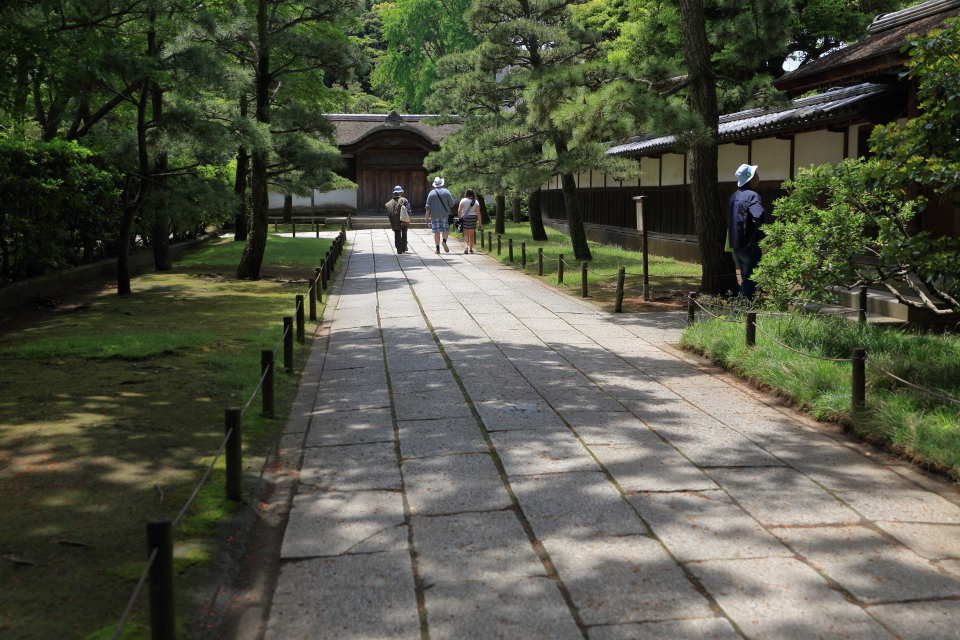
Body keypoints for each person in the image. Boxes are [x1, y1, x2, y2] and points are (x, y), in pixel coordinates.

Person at [727, 163, 766, 300]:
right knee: (751, 279)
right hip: (750, 244)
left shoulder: (733, 196)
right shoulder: (752, 196)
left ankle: (745, 305)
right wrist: (762, 235)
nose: (758, 175)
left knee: (745, 277)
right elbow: (758, 215)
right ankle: (742, 307)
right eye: (756, 173)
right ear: (750, 177)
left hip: (736, 244)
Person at [424, 176, 456, 254]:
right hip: (445, 214)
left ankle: (437, 249)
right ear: (441, 184)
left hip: (434, 215)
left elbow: (427, 206)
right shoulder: (446, 192)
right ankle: (444, 241)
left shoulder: (431, 193)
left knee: (436, 232)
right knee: (445, 230)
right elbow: (452, 203)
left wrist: (426, 216)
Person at [385, 185, 411, 254]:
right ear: (400, 192)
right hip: (404, 219)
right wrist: (409, 217)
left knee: (397, 233)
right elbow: (408, 209)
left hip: (394, 220)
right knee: (404, 232)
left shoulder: (389, 203)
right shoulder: (404, 200)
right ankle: (404, 247)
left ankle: (399, 249)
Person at [457, 189, 482, 254]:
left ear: (466, 193)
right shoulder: (476, 202)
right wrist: (480, 222)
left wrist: (460, 218)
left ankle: (466, 247)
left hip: (465, 217)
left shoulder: (463, 200)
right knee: (471, 234)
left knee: (465, 233)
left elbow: (459, 210)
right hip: (473, 217)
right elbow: (478, 212)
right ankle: (471, 249)